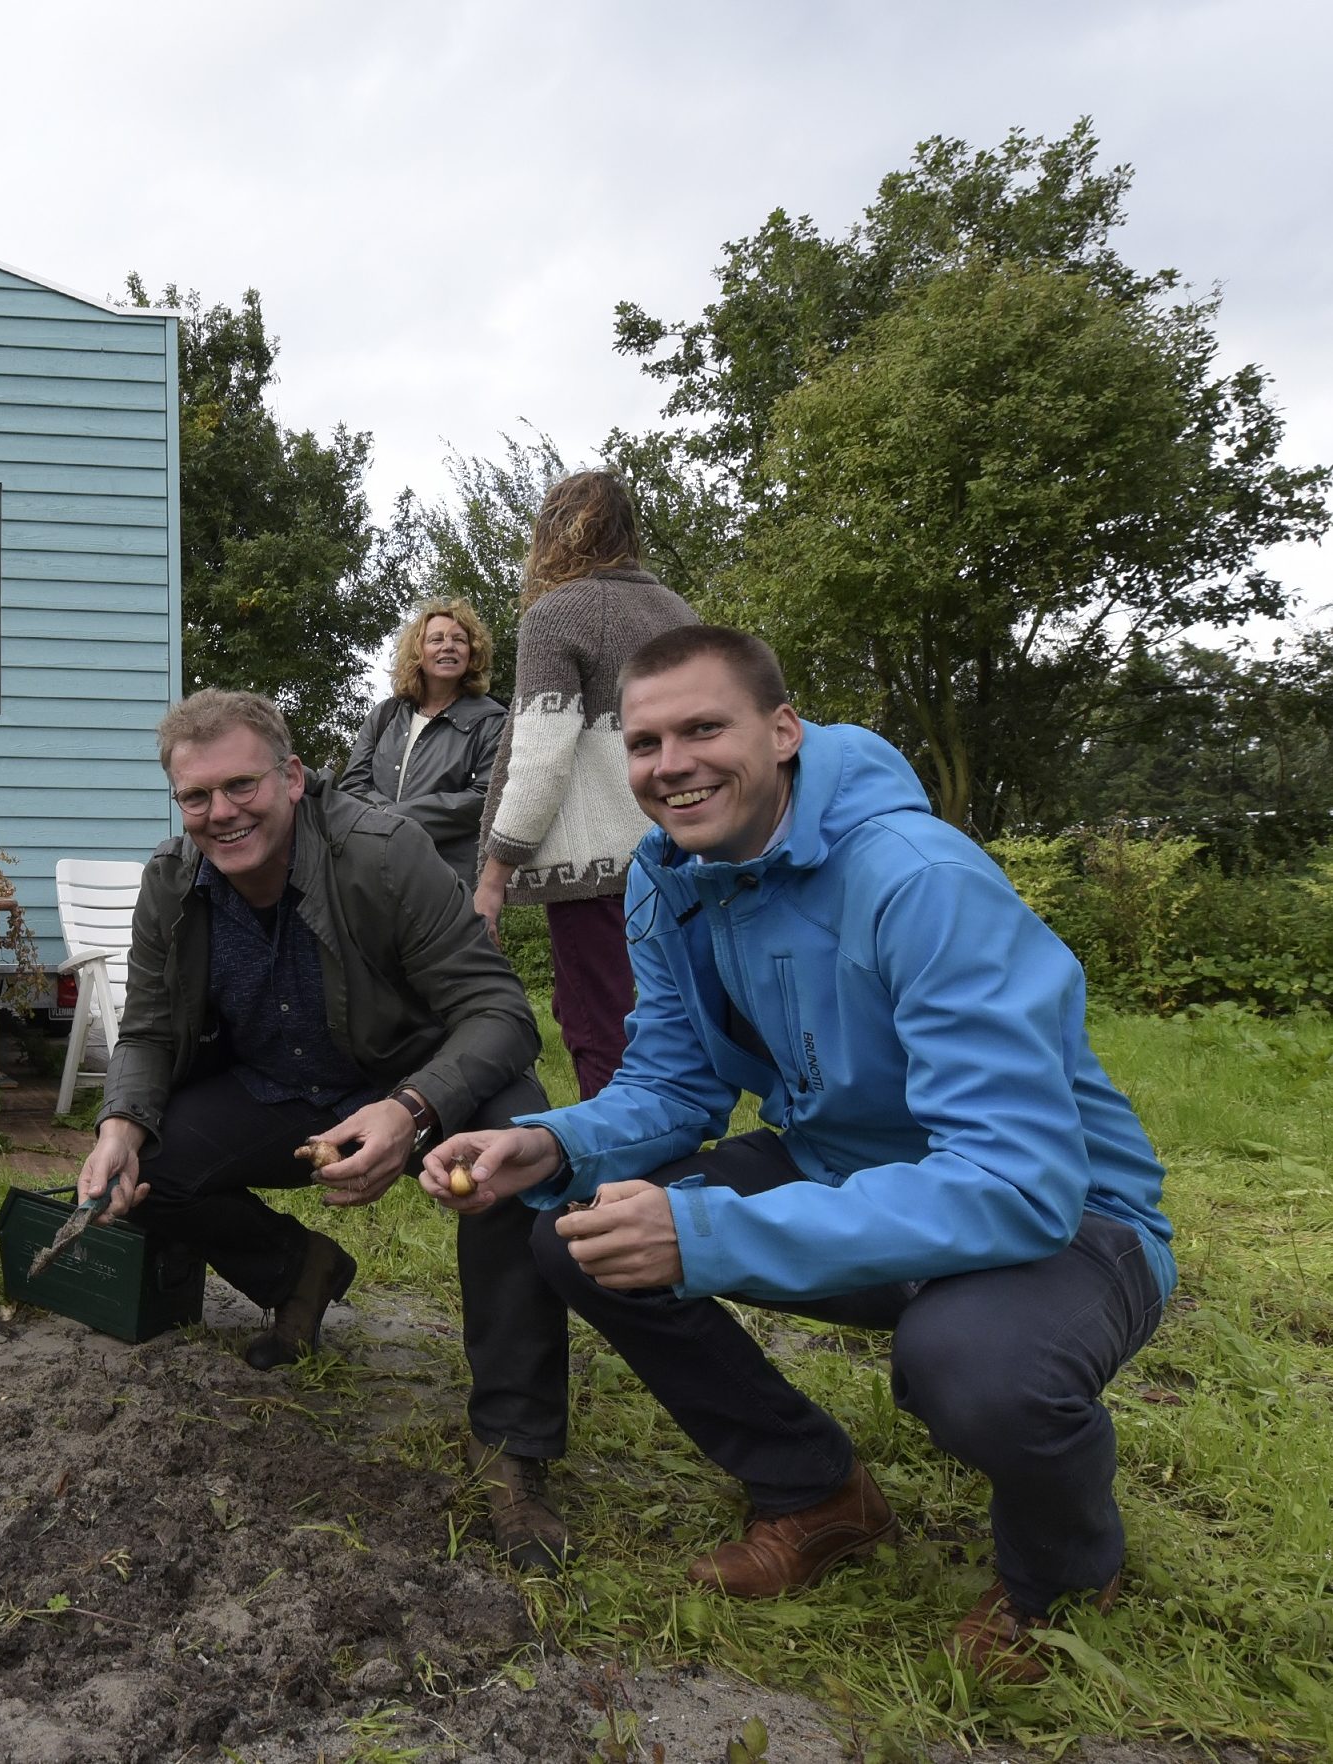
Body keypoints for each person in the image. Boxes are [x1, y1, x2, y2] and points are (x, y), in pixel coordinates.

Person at [425, 627, 1171, 1679]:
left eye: (702, 728)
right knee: (580, 1236)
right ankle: (816, 1494)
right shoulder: (671, 877)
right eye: (643, 743)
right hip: (845, 1171)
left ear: (782, 732)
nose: (670, 765)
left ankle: (1059, 1576)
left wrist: (703, 1232)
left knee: (971, 1365)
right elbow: (673, 1087)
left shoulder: (918, 881)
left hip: (1066, 1215)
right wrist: (546, 1143)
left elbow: (1014, 1182)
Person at [77, 688, 576, 1568]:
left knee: (514, 1143)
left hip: (413, 1085)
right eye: (196, 797)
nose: (220, 813)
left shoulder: (385, 854)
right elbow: (150, 1031)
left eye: (241, 787)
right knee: (146, 1165)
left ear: (294, 777)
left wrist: (413, 1108)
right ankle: (297, 1270)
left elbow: (499, 1011)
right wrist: (119, 1121)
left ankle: (512, 1445)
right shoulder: (170, 881)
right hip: (281, 1091)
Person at [473, 471, 696, 1099]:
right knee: (674, 1030)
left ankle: (622, 1185)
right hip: (682, 853)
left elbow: (541, 762)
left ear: (557, 530)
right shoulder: (677, 611)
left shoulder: (557, 615)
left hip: (594, 873)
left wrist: (493, 879)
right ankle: (665, 1174)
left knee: (600, 1031)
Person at [339, 597, 506, 883]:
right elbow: (352, 785)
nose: (448, 646)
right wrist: (386, 816)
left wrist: (395, 817)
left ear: (472, 653)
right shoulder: (385, 715)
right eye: (436, 639)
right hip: (377, 874)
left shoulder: (493, 721)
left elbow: (486, 797)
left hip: (450, 880)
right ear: (418, 652)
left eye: (459, 640)